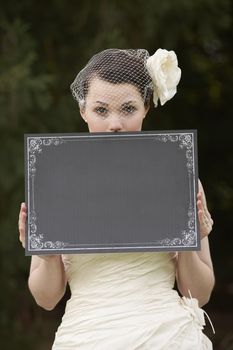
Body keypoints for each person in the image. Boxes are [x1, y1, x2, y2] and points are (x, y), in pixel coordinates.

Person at [18, 48, 215, 349]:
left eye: (127, 109)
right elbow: (46, 299)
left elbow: (199, 294)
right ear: (82, 109)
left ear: (146, 107)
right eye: (101, 110)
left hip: (166, 337)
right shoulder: (53, 178)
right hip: (85, 337)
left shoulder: (179, 173)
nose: (114, 124)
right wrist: (46, 256)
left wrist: (188, 242)